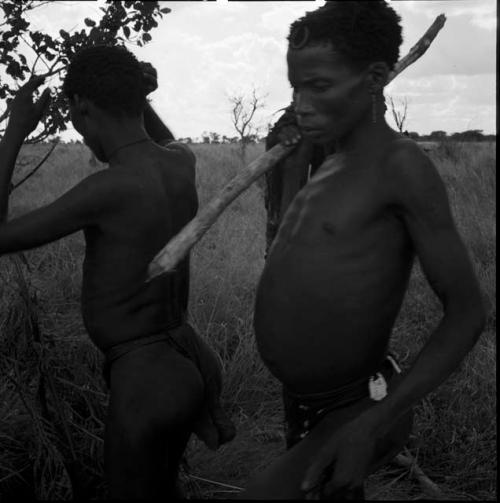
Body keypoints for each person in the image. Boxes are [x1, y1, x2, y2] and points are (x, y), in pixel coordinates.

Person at [244, 1, 486, 499]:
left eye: (319, 86)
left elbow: (468, 311)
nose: (301, 103)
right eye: (295, 87)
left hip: (358, 406)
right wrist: (291, 161)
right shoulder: (329, 165)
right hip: (307, 401)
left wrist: (374, 422)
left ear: (375, 78)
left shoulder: (399, 166)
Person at [0, 45, 234, 499]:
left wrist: (14, 131)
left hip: (146, 376)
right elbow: (158, 136)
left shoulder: (106, 189)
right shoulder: (180, 162)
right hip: (188, 354)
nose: (82, 135)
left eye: (76, 117)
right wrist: (131, 92)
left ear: (83, 107)